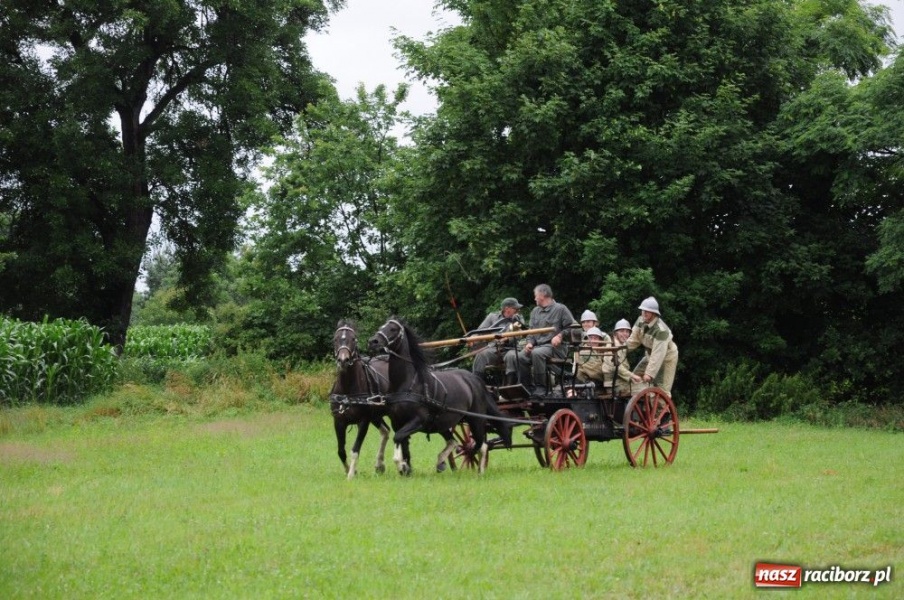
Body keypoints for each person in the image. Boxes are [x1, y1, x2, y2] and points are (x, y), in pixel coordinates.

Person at [503, 284, 576, 395]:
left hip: (556, 348)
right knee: (520, 356)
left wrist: (560, 336)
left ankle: (541, 387)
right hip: (538, 347)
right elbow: (531, 332)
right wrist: (529, 343)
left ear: (542, 295)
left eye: (535, 295)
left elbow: (572, 327)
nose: (534, 298)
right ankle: (527, 387)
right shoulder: (535, 311)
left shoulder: (561, 309)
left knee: (537, 353)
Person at [626, 297, 679, 397]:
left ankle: (661, 406)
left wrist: (649, 374)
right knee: (634, 378)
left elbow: (658, 354)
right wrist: (620, 350)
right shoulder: (640, 320)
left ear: (654, 313)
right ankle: (642, 402)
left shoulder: (661, 331)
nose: (644, 313)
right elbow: (633, 340)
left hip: (666, 358)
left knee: (662, 390)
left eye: (647, 311)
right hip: (650, 355)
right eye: (643, 310)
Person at [471, 297, 524, 383]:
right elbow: (480, 331)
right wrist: (472, 338)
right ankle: (475, 383)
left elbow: (519, 334)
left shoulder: (518, 318)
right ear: (507, 309)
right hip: (494, 348)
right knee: (481, 355)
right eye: (515, 308)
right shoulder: (492, 316)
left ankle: (510, 386)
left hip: (511, 348)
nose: (518, 310)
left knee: (511, 356)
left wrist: (507, 339)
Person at [604, 318, 640, 394]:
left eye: (627, 331)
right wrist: (632, 376)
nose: (625, 334)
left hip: (619, 382)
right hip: (615, 385)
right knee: (646, 389)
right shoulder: (613, 346)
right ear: (615, 333)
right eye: (622, 331)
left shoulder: (621, 345)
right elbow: (616, 367)